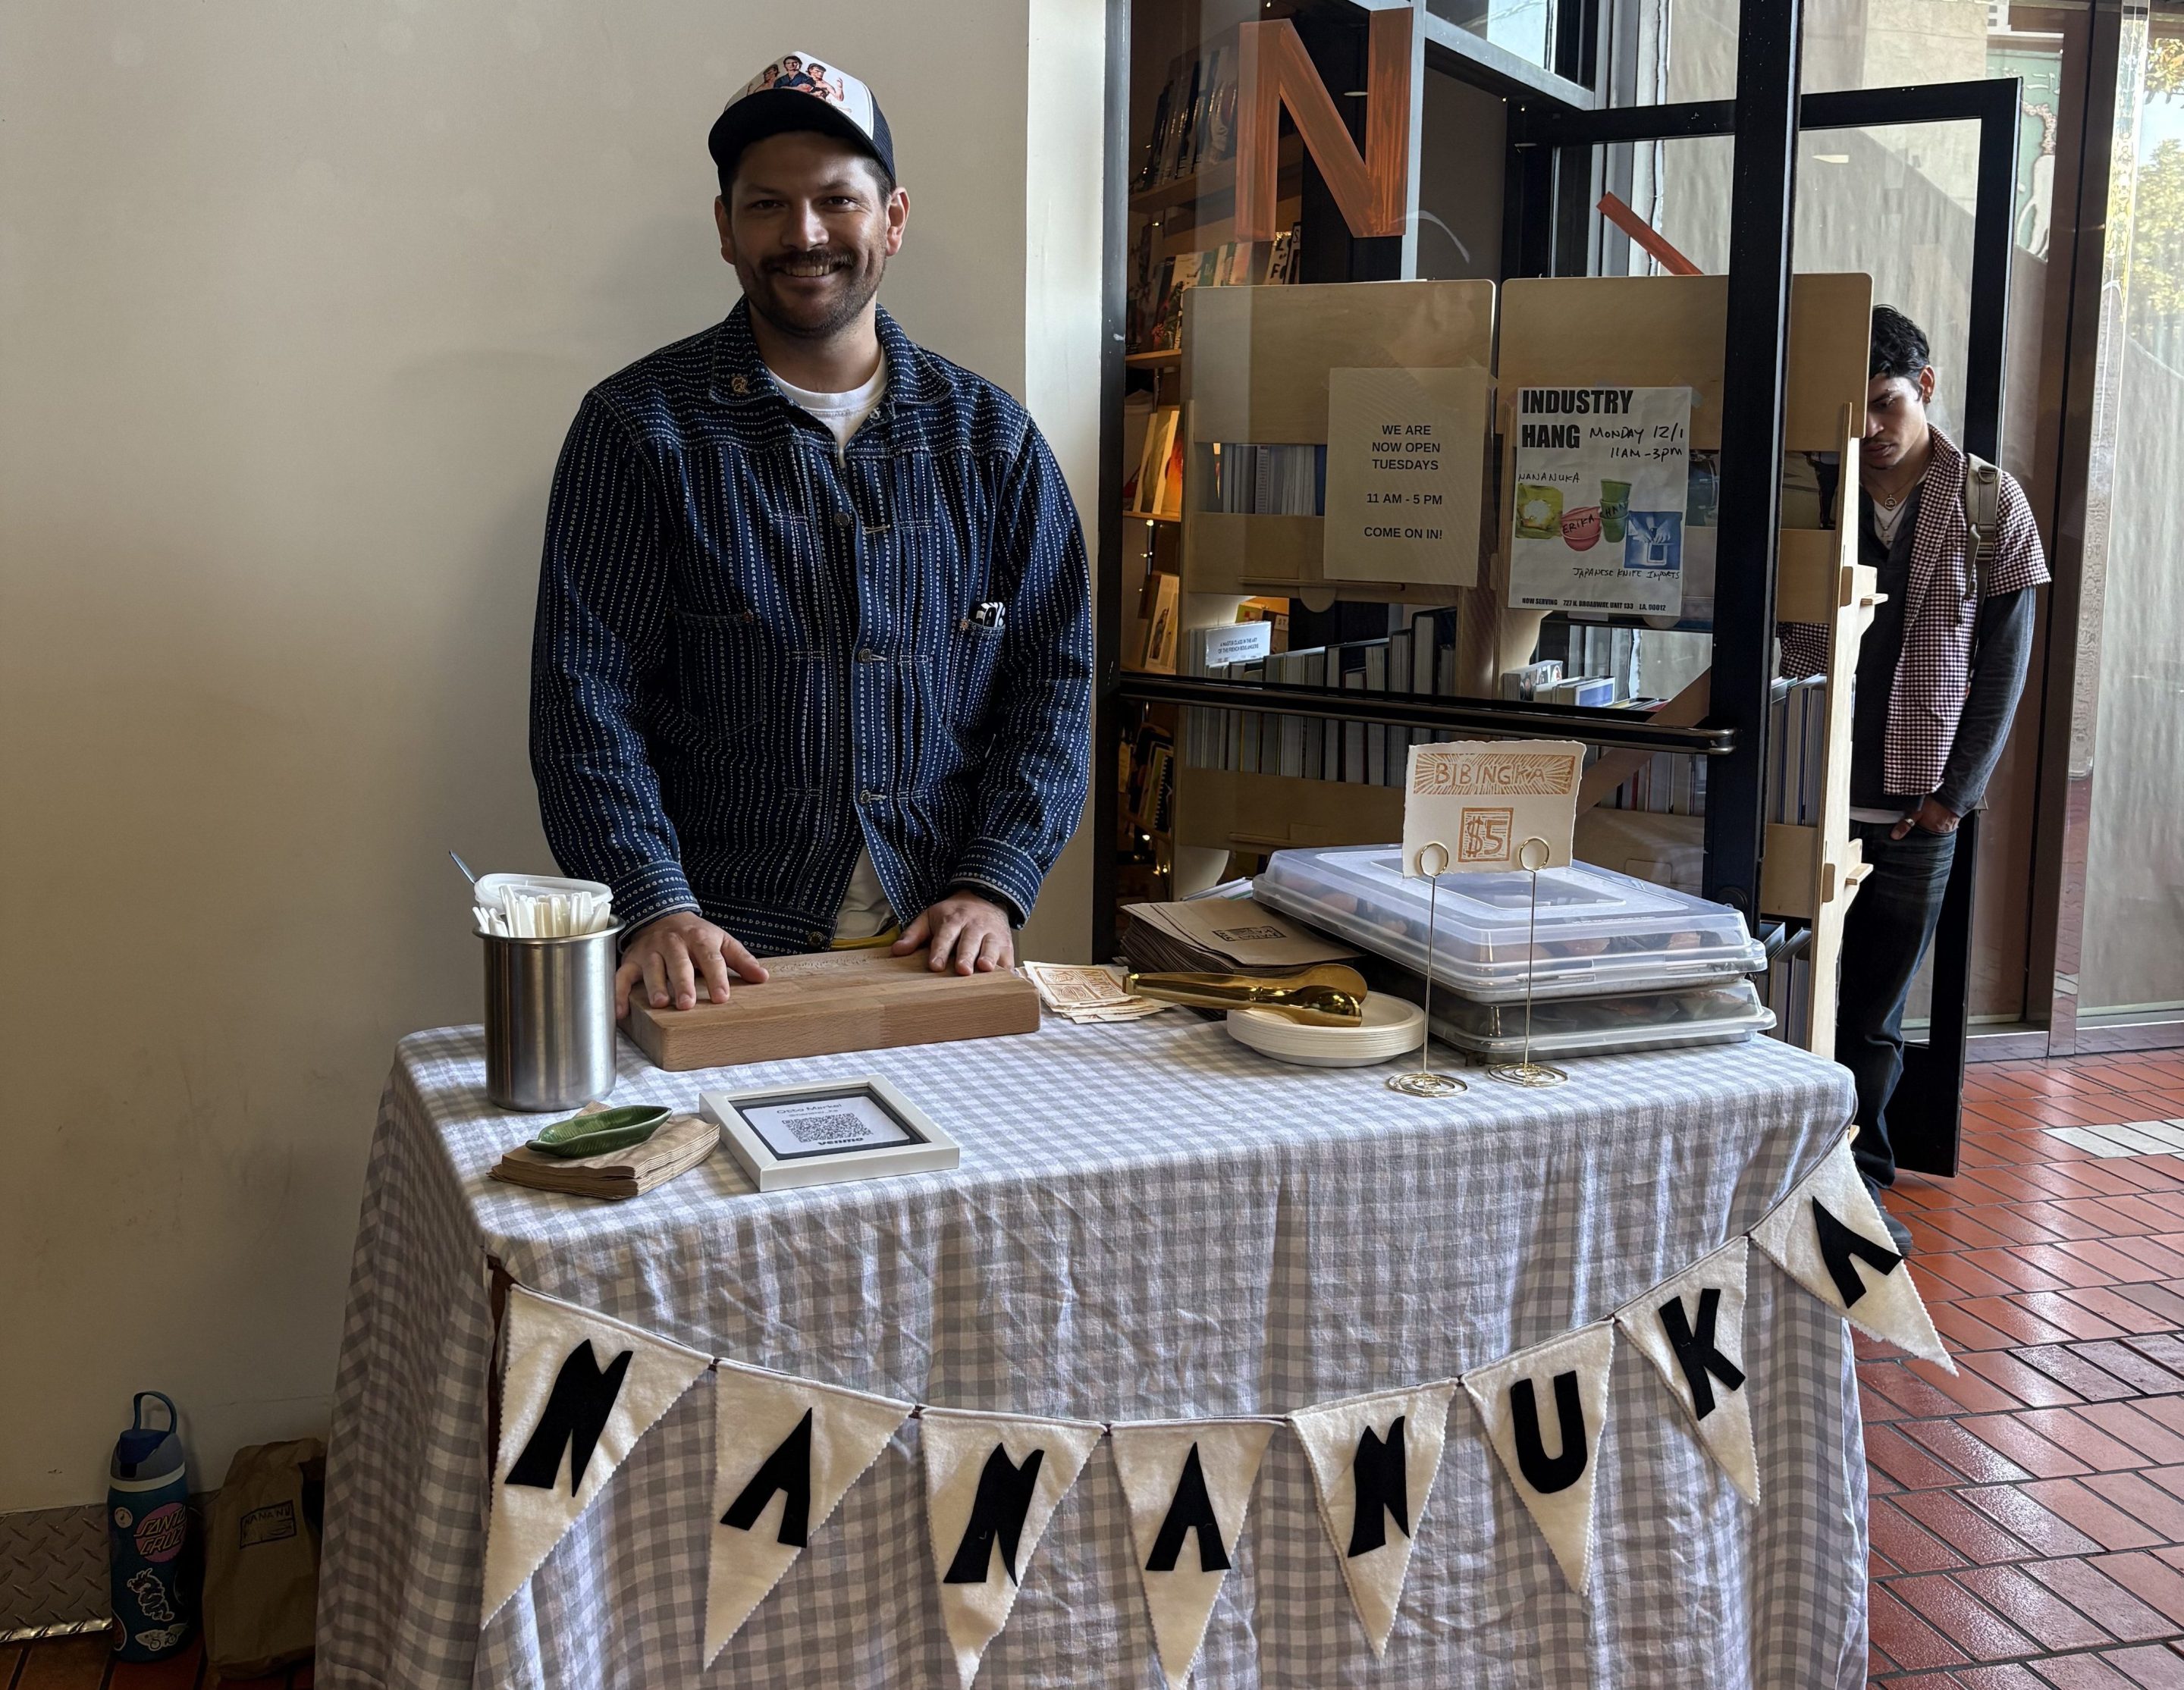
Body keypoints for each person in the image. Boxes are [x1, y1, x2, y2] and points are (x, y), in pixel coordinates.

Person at [530, 52, 1093, 1020]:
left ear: (893, 220)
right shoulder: (638, 430)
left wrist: (997, 879)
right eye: (765, 205)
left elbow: (1058, 678)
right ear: (724, 229)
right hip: (710, 956)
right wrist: (653, 904)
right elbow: (583, 700)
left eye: (838, 200)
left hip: (942, 952)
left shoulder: (993, 440)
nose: (804, 234)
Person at [1782, 306, 2049, 1251]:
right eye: (1853, 408)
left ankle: (1863, 1184)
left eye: (1886, 404)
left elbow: (2006, 668)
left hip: (1915, 801)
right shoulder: (1818, 489)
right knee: (1789, 988)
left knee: (1875, 1010)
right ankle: (1786, 1179)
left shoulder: (1990, 504)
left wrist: (1951, 800)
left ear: (1925, 388)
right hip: (1805, 785)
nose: (1869, 427)